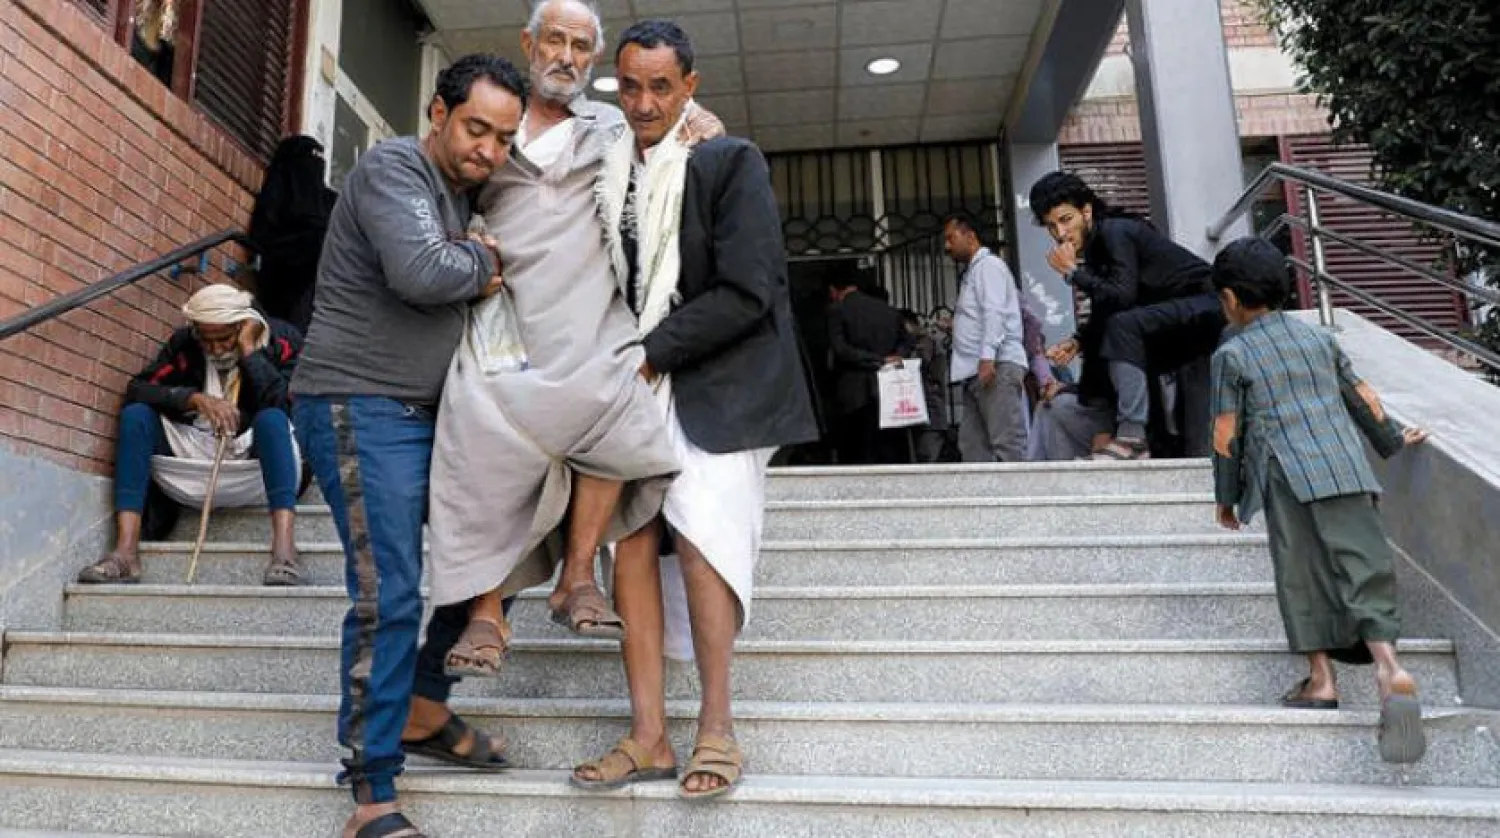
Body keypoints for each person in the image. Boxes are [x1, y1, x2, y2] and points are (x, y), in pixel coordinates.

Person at [427, 0, 722, 671]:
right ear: (529, 43)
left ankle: (578, 576)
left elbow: (673, 136)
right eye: (554, 40)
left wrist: (698, 120)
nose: (565, 55)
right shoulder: (492, 119)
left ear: (594, 60)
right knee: (477, 424)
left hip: (589, 307)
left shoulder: (613, 126)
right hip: (502, 310)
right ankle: (485, 612)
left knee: (620, 396)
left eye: (581, 46)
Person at [570, 18, 818, 800]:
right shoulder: (610, 172)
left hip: (719, 386)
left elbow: (750, 289)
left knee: (707, 537)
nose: (643, 103)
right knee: (631, 540)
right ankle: (648, 736)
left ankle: (718, 727)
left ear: (690, 87)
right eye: (629, 86)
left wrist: (649, 350)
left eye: (660, 87)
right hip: (636, 386)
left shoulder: (727, 160)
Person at [290, 54, 524, 838]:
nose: (489, 149)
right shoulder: (395, 168)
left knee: (502, 544)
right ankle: (371, 794)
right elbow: (423, 272)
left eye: (503, 137)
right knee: (391, 592)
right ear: (437, 112)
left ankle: (424, 709)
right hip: (358, 403)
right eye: (476, 128)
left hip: (433, 414)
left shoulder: (466, 191)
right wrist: (487, 258)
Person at [1210, 237, 1429, 764]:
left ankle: (1322, 680)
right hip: (1348, 469)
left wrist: (1227, 495)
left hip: (1288, 475)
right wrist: (1393, 437)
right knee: (1363, 566)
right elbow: (1362, 395)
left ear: (1233, 299)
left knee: (1301, 572)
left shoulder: (1232, 353)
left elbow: (1226, 433)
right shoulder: (1319, 340)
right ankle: (1389, 667)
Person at [77, 283, 302, 586]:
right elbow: (139, 388)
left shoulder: (282, 341)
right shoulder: (185, 345)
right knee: (136, 416)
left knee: (273, 419)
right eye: (207, 340)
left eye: (225, 339)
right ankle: (126, 553)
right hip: (195, 456)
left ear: (243, 325)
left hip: (255, 463)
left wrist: (249, 353)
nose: (216, 349)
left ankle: (285, 552)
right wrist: (193, 399)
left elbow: (285, 404)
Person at [1031, 171, 1226, 460]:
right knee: (1118, 333)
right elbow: (1110, 308)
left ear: (1086, 211)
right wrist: (1079, 341)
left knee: (1123, 327)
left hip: (1207, 305)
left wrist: (1073, 274)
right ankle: (1147, 442)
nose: (1061, 234)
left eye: (1066, 219)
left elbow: (1122, 297)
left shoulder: (1114, 231)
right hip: (1172, 319)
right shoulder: (1097, 246)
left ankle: (1132, 438)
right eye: (1051, 226)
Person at [944, 212, 1029, 462]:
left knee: (1006, 443)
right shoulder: (975, 270)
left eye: (951, 238)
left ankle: (1019, 498)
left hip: (994, 367)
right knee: (973, 446)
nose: (947, 246)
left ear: (970, 236)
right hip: (977, 370)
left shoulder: (989, 266)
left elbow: (994, 312)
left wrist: (987, 357)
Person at [248, 135, 339, 335]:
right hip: (284, 291)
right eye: (309, 157)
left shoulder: (329, 201)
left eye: (317, 158)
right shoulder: (276, 198)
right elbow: (264, 241)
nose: (313, 166)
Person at [825, 276, 911, 464]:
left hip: (853, 392)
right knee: (889, 448)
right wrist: (895, 357)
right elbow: (906, 342)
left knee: (855, 452)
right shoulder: (888, 310)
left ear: (833, 290)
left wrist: (876, 360)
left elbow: (841, 349)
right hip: (890, 389)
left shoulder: (838, 310)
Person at [901, 309, 950, 462]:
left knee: (926, 457)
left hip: (930, 410)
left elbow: (919, 365)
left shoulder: (925, 342)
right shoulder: (923, 342)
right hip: (925, 410)